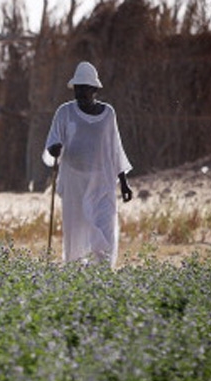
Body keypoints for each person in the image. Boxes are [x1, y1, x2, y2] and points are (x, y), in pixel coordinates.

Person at [44, 61, 133, 267]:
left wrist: (124, 182)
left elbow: (115, 148)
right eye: (77, 88)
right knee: (75, 228)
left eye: (85, 88)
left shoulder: (108, 114)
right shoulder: (65, 112)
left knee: (105, 224)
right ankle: (75, 268)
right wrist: (55, 148)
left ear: (94, 89)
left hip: (102, 180)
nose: (80, 92)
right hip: (75, 180)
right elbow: (52, 142)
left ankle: (102, 269)